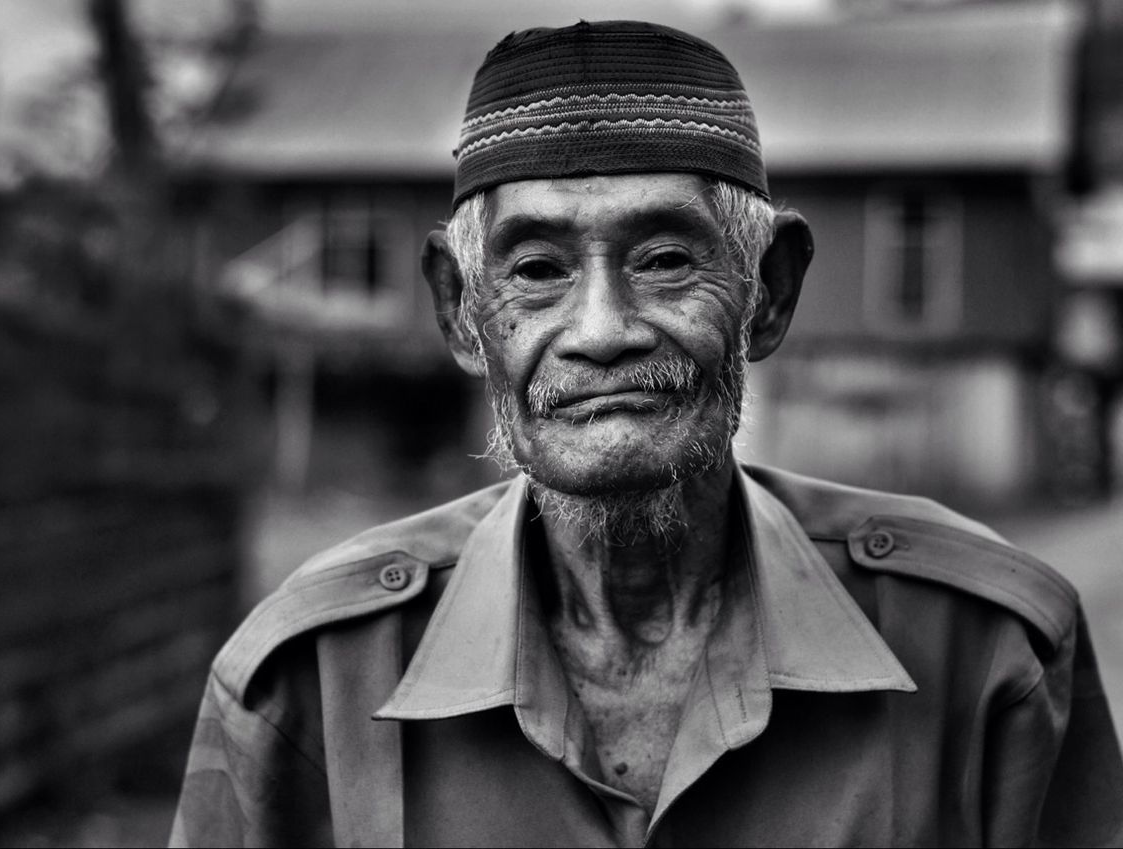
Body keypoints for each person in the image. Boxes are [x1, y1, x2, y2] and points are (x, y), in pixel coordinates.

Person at [170, 20, 1123, 847]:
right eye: (536, 268)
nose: (599, 329)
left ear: (769, 293)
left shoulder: (991, 652)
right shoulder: (309, 683)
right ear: (462, 313)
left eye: (666, 259)